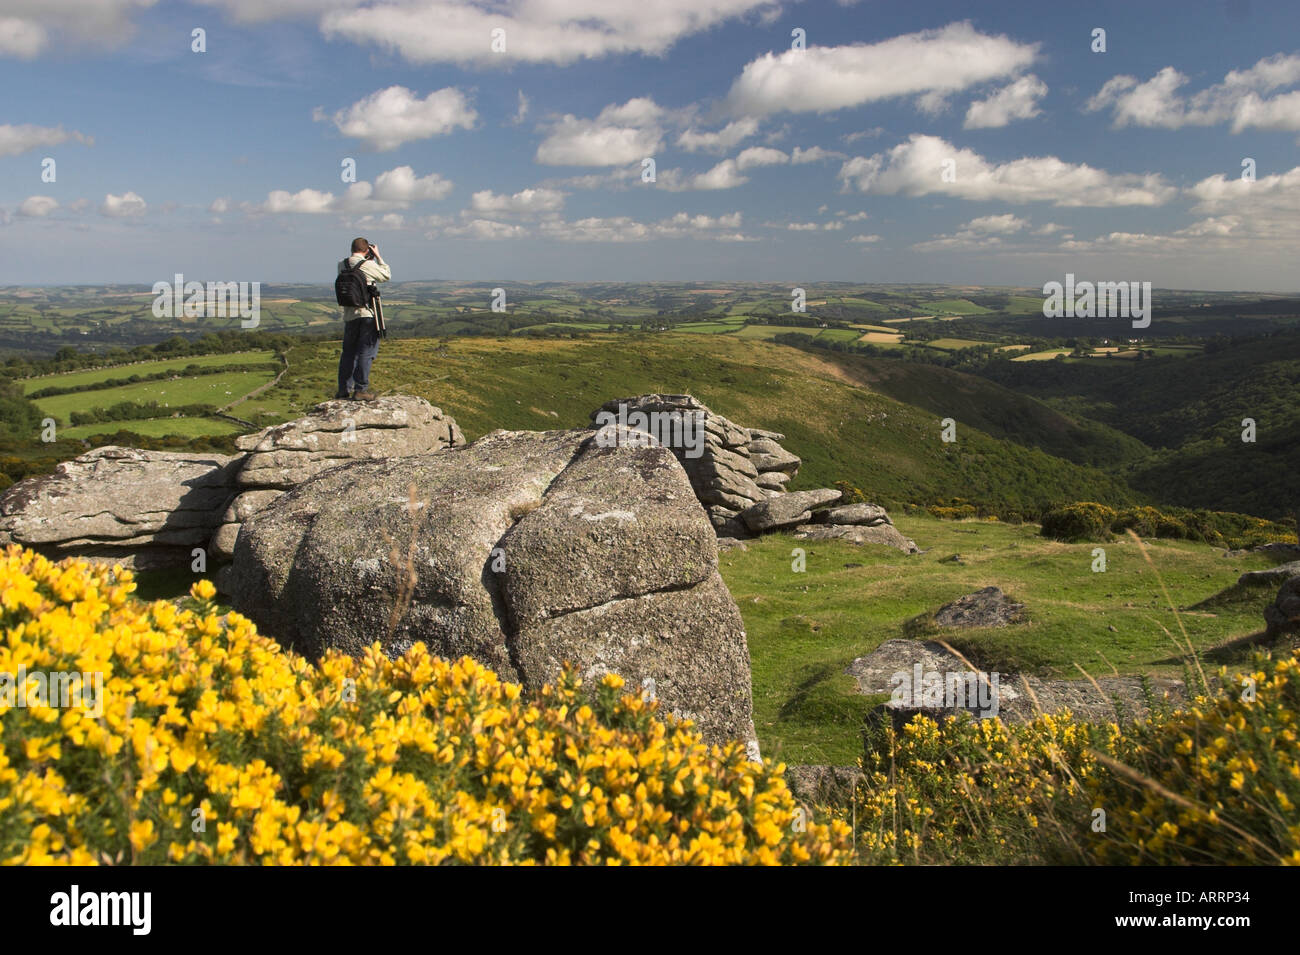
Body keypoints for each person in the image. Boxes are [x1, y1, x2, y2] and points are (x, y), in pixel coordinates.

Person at [335, 237, 391, 400]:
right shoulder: (368, 264)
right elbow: (386, 275)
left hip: (349, 315)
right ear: (367, 250)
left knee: (348, 353)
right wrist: (378, 257)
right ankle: (360, 389)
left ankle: (343, 389)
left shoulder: (342, 264)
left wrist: (367, 257)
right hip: (367, 314)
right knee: (366, 352)